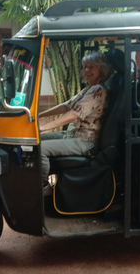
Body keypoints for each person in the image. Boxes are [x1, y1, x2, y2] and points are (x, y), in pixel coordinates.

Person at [39, 52, 111, 195]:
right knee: (35, 140)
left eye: (92, 67)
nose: (87, 71)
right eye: (85, 67)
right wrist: (38, 114)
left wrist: (44, 127)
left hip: (85, 141)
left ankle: (43, 187)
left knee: (39, 148)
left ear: (101, 69)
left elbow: (74, 114)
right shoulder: (88, 88)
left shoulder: (98, 90)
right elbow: (67, 106)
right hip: (73, 134)